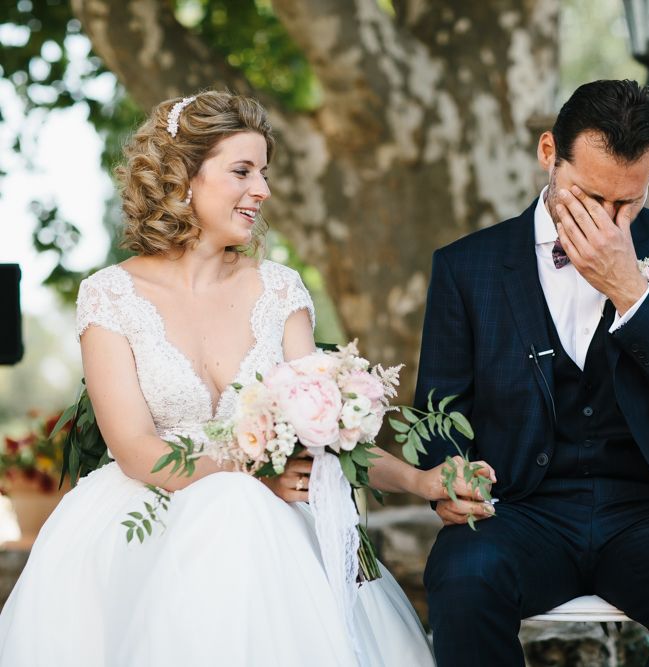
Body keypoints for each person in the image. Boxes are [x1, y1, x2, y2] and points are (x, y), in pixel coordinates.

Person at [0, 91, 477, 666]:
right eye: (242, 171)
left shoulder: (279, 290)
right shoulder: (110, 296)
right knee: (232, 505)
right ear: (182, 177)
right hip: (147, 517)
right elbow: (134, 449)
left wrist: (425, 482)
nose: (263, 190)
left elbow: (329, 431)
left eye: (265, 173)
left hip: (275, 525)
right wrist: (248, 475)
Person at [416, 79, 649, 667]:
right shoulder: (466, 266)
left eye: (628, 202)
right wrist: (447, 479)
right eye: (589, 196)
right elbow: (439, 413)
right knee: (462, 578)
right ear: (547, 155)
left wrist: (634, 295)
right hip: (519, 509)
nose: (610, 221)